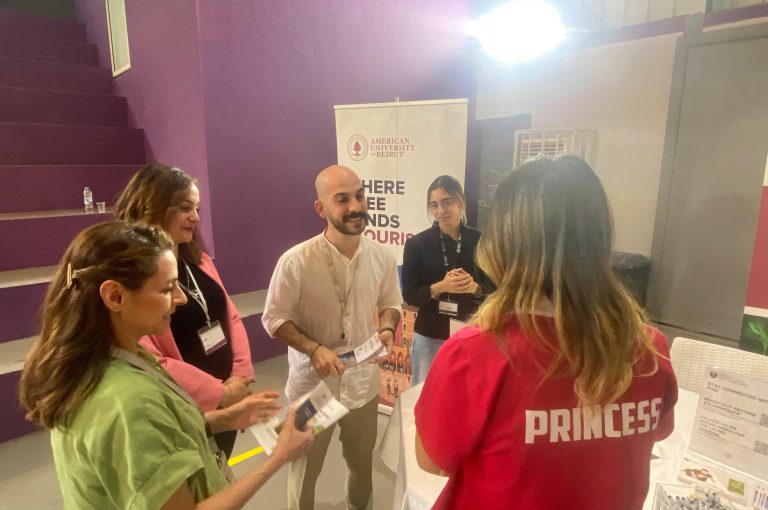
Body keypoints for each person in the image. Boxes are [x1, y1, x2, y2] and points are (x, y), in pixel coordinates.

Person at [414, 156, 678, 510]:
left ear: (504, 244)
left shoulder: (475, 353)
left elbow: (432, 459)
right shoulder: (649, 346)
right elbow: (657, 434)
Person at [18, 222, 314, 509]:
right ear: (115, 296)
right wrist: (279, 456)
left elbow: (150, 440)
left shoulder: (111, 359)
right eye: (167, 288)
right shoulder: (130, 402)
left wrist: (223, 419)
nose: (181, 299)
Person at [262, 165, 403, 510]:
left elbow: (391, 303)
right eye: (342, 199)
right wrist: (314, 349)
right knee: (304, 470)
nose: (355, 206)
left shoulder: (381, 257)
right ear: (321, 209)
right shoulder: (296, 261)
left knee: (360, 465)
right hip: (315, 389)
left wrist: (386, 328)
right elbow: (274, 319)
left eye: (359, 195)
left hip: (364, 386)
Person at [114, 164, 253, 457]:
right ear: (151, 206)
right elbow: (150, 358)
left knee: (219, 474)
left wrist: (239, 377)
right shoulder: (131, 278)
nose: (195, 217)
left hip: (229, 397)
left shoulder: (199, 260)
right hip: (185, 408)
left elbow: (231, 317)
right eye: (184, 208)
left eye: (198, 208)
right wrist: (221, 394)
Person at [401, 175, 485, 384]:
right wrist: (439, 287)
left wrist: (475, 288)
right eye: (434, 205)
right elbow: (410, 294)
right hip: (429, 335)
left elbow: (498, 291)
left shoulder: (483, 241)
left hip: (471, 333)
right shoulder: (416, 245)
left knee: (466, 396)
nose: (440, 210)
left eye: (447, 202)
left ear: (461, 201)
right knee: (423, 393)